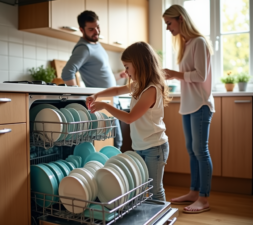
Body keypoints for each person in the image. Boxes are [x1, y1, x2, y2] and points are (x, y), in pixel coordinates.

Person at [86, 42, 171, 201]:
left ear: (139, 64)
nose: (125, 71)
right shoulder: (139, 85)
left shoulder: (151, 89)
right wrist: (97, 95)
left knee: (155, 191)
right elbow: (117, 90)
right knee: (141, 188)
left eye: (127, 67)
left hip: (155, 147)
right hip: (141, 146)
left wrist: (105, 105)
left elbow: (130, 117)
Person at [162, 4, 215, 213]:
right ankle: (194, 192)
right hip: (189, 105)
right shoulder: (187, 44)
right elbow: (189, 76)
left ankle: (204, 198)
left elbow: (200, 75)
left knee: (200, 151)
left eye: (169, 23)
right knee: (192, 151)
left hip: (201, 104)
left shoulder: (199, 42)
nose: (168, 28)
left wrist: (175, 74)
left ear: (180, 19)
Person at [61, 10, 124, 150]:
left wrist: (119, 76)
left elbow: (101, 76)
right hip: (103, 103)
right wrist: (77, 97)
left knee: (115, 142)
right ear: (81, 29)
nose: (96, 31)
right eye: (91, 29)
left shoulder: (96, 44)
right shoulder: (84, 48)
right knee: (113, 143)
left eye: (97, 27)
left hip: (112, 100)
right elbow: (67, 72)